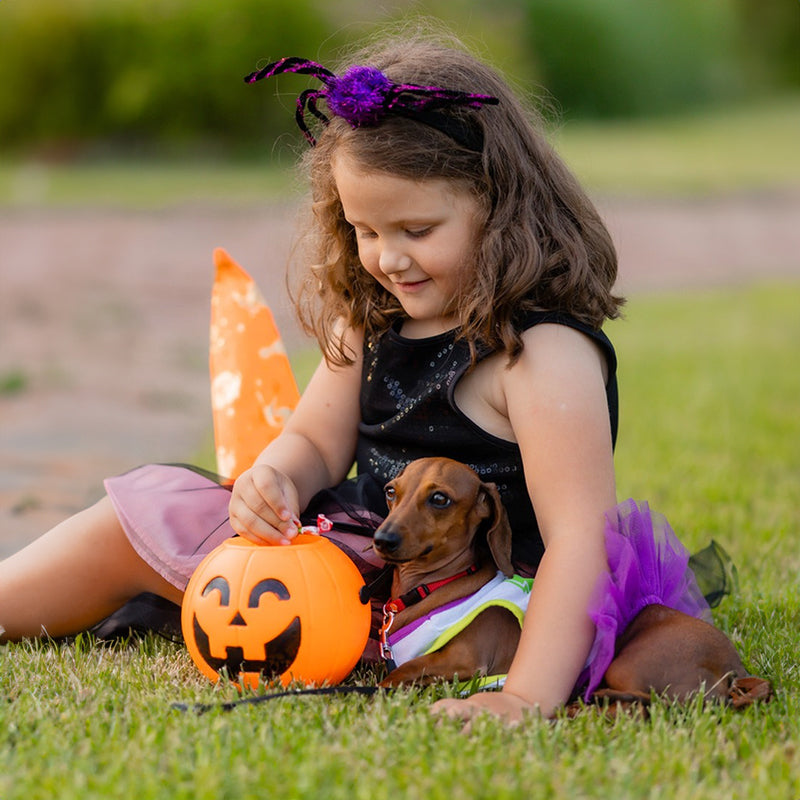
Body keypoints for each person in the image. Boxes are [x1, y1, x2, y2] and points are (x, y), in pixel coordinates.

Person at [0, 31, 708, 724]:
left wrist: (525, 696)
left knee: (412, 615)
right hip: (354, 551)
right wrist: (279, 477)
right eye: (365, 231)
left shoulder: (539, 353)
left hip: (468, 590)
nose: (388, 258)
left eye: (416, 230)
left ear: (498, 206)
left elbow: (580, 541)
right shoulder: (374, 318)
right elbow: (313, 438)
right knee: (154, 512)